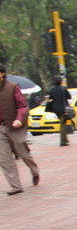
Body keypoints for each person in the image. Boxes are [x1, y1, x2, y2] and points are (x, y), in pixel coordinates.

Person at [0, 63, 40, 195]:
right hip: (1, 128)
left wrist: (18, 119)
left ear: (2, 74)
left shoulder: (13, 87)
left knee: (23, 153)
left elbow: (23, 106)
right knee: (4, 159)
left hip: (15, 126)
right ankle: (16, 186)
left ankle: (34, 171)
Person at [46, 75, 72, 147]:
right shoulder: (63, 88)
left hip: (55, 109)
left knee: (62, 122)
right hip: (63, 108)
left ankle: (65, 139)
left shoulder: (52, 89)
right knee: (63, 124)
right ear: (61, 81)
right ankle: (63, 141)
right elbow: (69, 97)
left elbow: (50, 98)